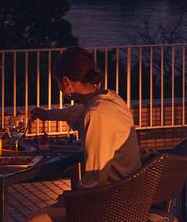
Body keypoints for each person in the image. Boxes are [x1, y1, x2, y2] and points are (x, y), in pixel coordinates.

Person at [29, 47, 143, 222]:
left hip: (112, 203)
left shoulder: (97, 114)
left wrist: (67, 198)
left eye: (57, 81)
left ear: (66, 82)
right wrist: (44, 114)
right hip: (129, 194)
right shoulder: (109, 98)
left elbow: (95, 179)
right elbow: (76, 112)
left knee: (37, 219)